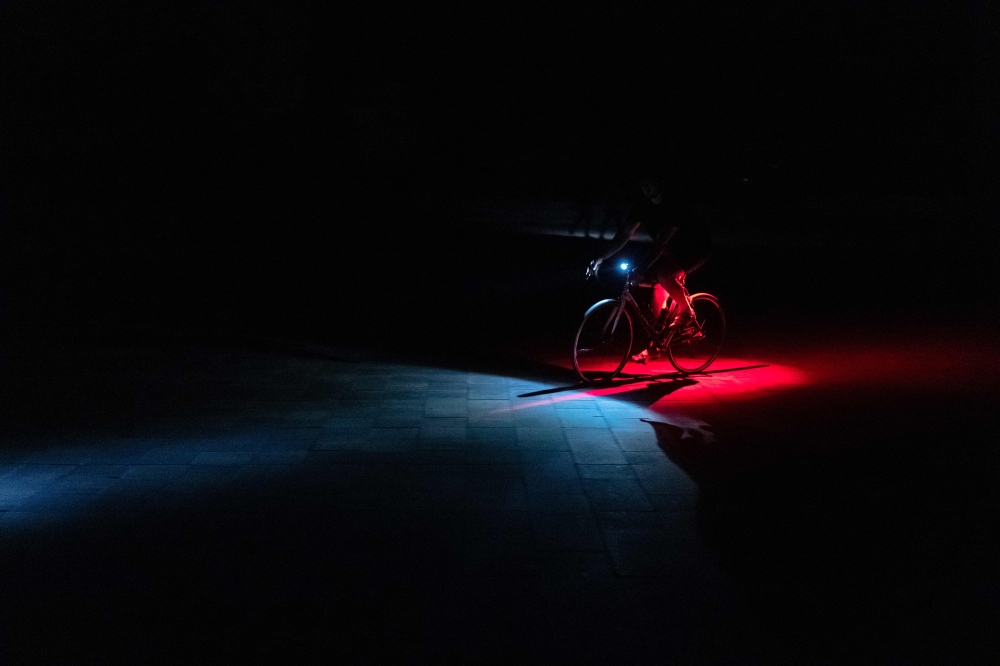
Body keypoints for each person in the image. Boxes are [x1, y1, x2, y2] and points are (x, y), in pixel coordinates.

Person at [588, 174, 712, 362]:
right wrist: (602, 257)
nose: (645, 185)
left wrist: (641, 268)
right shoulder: (643, 204)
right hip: (673, 251)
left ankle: (687, 313)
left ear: (660, 182)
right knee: (656, 291)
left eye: (650, 181)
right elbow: (625, 233)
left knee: (664, 275)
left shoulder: (673, 203)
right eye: (642, 181)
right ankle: (656, 344)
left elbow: (660, 244)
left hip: (696, 248)